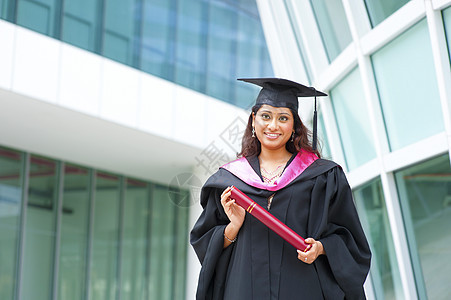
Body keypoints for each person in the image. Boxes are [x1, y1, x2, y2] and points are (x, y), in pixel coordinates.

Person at [190, 78, 371, 300]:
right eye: (266, 116)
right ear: (253, 120)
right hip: (244, 290)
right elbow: (204, 244)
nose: (273, 126)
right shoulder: (228, 180)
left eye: (283, 118)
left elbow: (350, 239)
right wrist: (232, 228)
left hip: (303, 288)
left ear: (294, 126)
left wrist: (322, 248)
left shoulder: (323, 177)